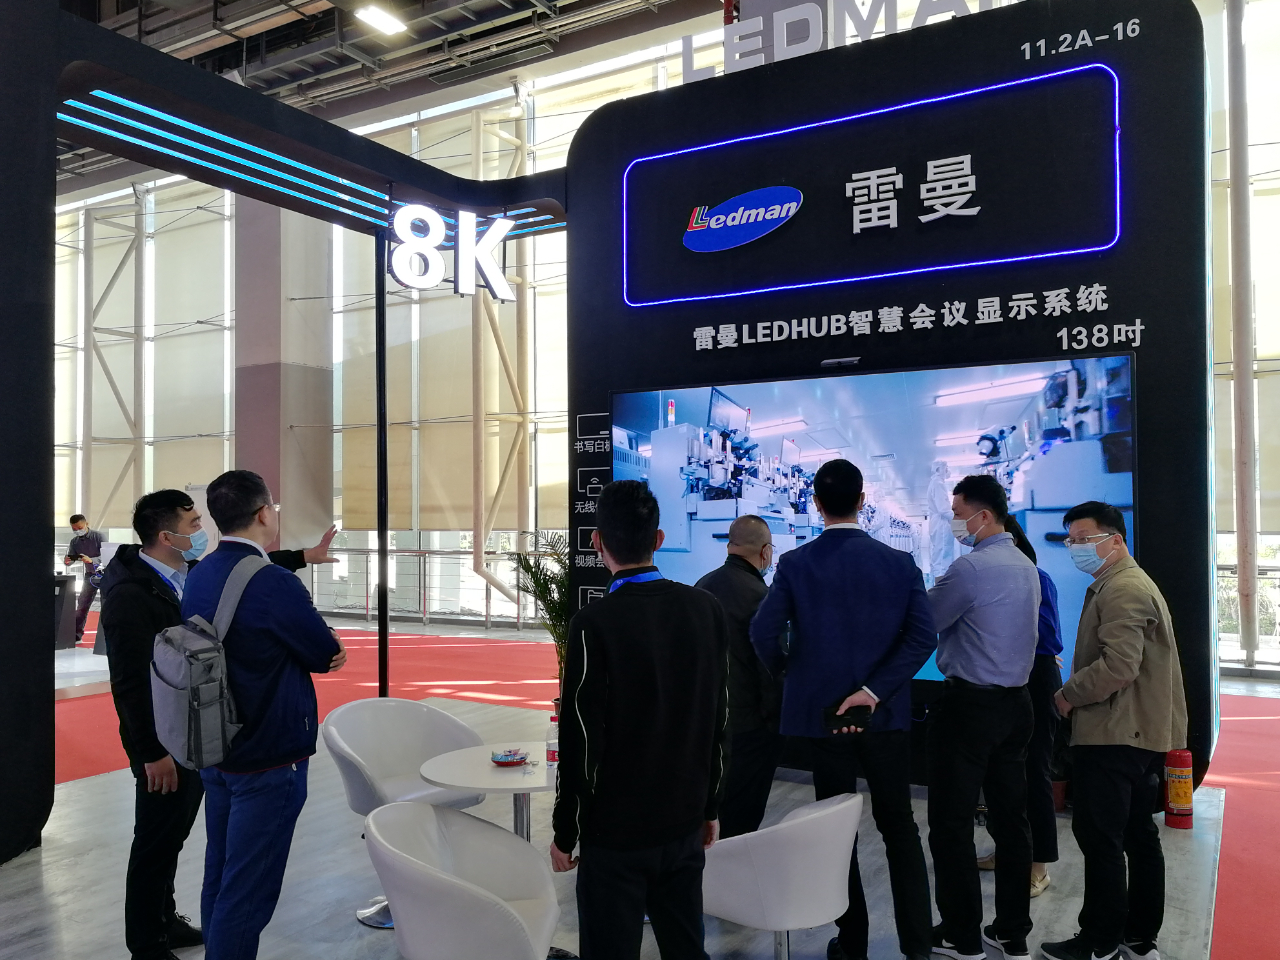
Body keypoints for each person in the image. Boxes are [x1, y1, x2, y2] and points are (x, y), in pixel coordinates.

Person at [99, 490, 339, 960]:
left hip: (204, 733)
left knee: (205, 855)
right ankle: (147, 942)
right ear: (165, 536)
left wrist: (303, 557)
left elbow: (240, 575)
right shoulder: (131, 594)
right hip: (174, 739)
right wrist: (150, 752)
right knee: (167, 845)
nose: (198, 532)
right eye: (191, 525)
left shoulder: (193, 573)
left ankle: (166, 921)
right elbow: (128, 683)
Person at [751, 459, 936, 960]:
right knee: (899, 827)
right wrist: (874, 691)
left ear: (816, 504)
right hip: (884, 717)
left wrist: (792, 674)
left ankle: (852, 943)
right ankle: (918, 946)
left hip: (823, 717)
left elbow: (763, 632)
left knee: (836, 831)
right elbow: (923, 637)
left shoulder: (796, 563)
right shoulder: (900, 563)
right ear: (862, 501)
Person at [551, 480, 728, 960]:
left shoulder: (592, 624)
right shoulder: (706, 610)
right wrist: (710, 806)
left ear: (597, 542)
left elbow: (581, 739)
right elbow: (719, 719)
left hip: (616, 834)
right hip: (684, 821)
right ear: (659, 539)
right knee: (686, 947)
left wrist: (566, 830)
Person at [182, 470, 346, 960]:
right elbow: (322, 652)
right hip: (269, 752)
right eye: (273, 506)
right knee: (249, 888)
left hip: (217, 744)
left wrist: (302, 558)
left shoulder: (201, 572)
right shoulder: (274, 583)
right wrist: (331, 643)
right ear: (262, 514)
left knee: (221, 871)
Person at [1040, 502, 1187, 960]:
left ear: (1115, 540)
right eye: (1071, 541)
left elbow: (1119, 666)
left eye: (1084, 539)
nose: (1075, 548)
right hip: (1135, 731)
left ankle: (1099, 941)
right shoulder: (1122, 583)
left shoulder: (1122, 588)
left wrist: (1068, 694)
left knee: (1102, 838)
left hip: (1115, 732)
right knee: (1137, 835)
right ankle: (1138, 938)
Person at [926, 474, 1039, 960]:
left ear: (984, 515)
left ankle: (961, 935)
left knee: (951, 823)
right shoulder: (1026, 565)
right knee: (1011, 822)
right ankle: (1011, 932)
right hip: (1016, 706)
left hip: (970, 709)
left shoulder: (970, 568)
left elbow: (927, 621)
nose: (955, 522)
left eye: (958, 513)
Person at [976, 525, 1064, 897]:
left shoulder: (1036, 578)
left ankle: (1038, 866)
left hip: (1034, 679)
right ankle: (1007, 850)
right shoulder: (986, 580)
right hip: (998, 679)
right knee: (997, 771)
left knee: (1034, 772)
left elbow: (1047, 637)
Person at [695, 514, 782, 838]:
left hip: (704, 723)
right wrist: (774, 724)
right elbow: (769, 669)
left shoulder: (701, 587)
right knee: (742, 818)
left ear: (730, 546)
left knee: (709, 812)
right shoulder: (762, 597)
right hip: (748, 729)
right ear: (765, 552)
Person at [65, 513, 104, 644]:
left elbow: (107, 555)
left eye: (80, 528)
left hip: (105, 573)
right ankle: (76, 634)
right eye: (74, 529)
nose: (77, 531)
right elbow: (71, 557)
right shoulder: (74, 542)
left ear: (86, 524)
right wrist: (68, 561)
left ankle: (106, 636)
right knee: (82, 603)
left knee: (107, 604)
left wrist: (91, 560)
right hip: (90, 575)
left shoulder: (98, 536)